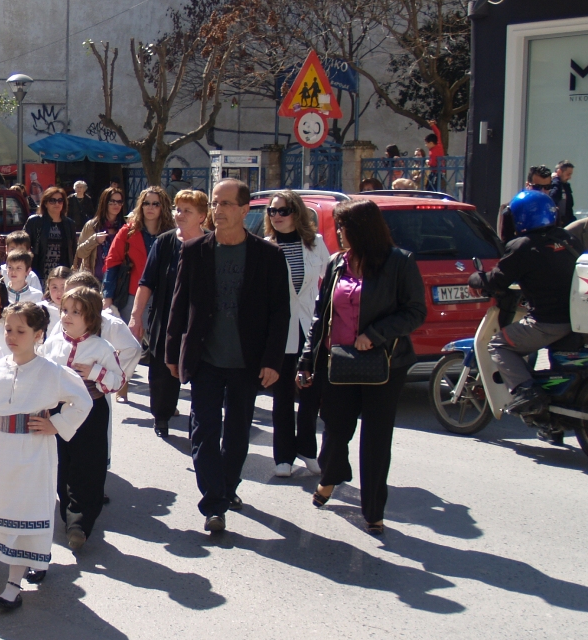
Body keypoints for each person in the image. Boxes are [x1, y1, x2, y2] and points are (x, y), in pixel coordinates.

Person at [165, 178, 289, 535]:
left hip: (246, 360)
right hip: (205, 358)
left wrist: (272, 360)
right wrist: (173, 352)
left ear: (245, 209)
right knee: (203, 431)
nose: (218, 210)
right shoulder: (195, 250)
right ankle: (214, 503)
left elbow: (280, 312)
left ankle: (227, 487)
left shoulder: (268, 255)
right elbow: (179, 306)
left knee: (236, 434)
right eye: (215, 203)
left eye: (226, 204)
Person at [301, 199, 427, 536]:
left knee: (375, 438)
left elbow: (415, 311)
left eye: (344, 227)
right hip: (338, 361)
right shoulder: (336, 264)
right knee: (335, 429)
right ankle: (331, 476)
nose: (339, 233)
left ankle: (373, 510)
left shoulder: (399, 263)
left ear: (361, 230)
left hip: (384, 363)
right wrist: (307, 358)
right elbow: (320, 316)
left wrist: (375, 334)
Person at [0, 302, 91, 607]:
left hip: (35, 452)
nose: (12, 335)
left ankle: (12, 584)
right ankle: (31, 561)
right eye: (8, 329)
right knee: (8, 510)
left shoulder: (51, 372)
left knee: (30, 509)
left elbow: (82, 401)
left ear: (38, 334)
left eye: (21, 330)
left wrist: (56, 424)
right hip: (4, 451)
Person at [470, 190, 581, 418]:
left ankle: (527, 391)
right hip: (577, 321)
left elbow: (497, 279)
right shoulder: (568, 239)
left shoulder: (523, 246)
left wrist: (475, 278)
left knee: (499, 344)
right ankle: (555, 420)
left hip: (548, 323)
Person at [41, 286, 124, 550]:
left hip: (91, 412)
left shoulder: (101, 347)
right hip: (59, 409)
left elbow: (118, 381)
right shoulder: (53, 343)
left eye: (76, 312)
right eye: (65, 310)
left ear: (90, 317)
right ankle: (68, 513)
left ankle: (80, 523)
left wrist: (95, 372)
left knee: (87, 466)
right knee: (61, 462)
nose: (67, 316)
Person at [263, 190, 331, 477]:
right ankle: (283, 456)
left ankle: (306, 448)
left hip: (310, 328)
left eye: (283, 210)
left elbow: (328, 284)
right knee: (281, 394)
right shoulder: (265, 247)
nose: (277, 216)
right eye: (272, 211)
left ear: (297, 213)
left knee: (311, 393)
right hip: (281, 330)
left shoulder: (315, 244)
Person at [130, 189, 207, 437]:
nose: (180, 215)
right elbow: (147, 282)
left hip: (199, 322)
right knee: (162, 372)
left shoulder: (211, 244)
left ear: (202, 217)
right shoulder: (164, 243)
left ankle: (201, 422)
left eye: (187, 211)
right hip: (166, 319)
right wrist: (136, 316)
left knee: (202, 374)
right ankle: (161, 416)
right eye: (178, 209)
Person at [104, 186, 175, 321]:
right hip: (131, 295)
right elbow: (112, 263)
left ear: (163, 207)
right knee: (130, 340)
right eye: (146, 203)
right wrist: (107, 297)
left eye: (156, 204)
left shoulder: (172, 234)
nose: (150, 207)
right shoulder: (127, 232)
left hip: (163, 296)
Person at [23, 186, 78, 281]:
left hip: (62, 273)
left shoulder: (69, 224)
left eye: (60, 200)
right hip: (39, 271)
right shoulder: (35, 221)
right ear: (45, 203)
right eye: (52, 200)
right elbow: (23, 245)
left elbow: (73, 249)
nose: (57, 203)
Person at [75, 187, 124, 278]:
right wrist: (94, 240)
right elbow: (80, 253)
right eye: (112, 201)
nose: (116, 204)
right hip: (94, 279)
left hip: (117, 279)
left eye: (119, 202)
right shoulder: (91, 226)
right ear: (104, 203)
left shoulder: (124, 227)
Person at [499, 166, 555, 241]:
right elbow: (504, 241)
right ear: (527, 185)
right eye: (537, 187)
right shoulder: (510, 208)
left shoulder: (552, 208)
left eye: (547, 187)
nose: (542, 191)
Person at [551, 161, 576, 225]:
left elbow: (569, 207)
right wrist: (556, 181)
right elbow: (552, 198)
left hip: (567, 222)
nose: (569, 177)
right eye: (568, 174)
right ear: (559, 172)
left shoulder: (566, 186)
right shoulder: (553, 184)